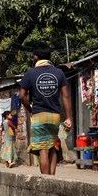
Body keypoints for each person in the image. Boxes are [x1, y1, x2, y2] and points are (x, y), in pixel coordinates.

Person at [19, 44, 72, 175]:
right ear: (49, 56)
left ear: (35, 57)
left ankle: (45, 181)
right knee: (53, 146)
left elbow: (22, 96)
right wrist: (69, 117)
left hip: (39, 115)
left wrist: (30, 109)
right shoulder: (58, 73)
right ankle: (52, 178)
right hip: (54, 116)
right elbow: (66, 95)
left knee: (43, 149)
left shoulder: (30, 73)